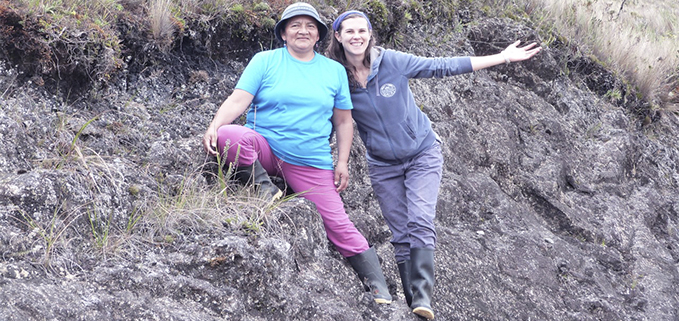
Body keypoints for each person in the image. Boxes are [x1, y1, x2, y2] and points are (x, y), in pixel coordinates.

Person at [327, 10, 541, 320]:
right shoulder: (335, 75)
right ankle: (414, 301)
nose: (356, 36)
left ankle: (423, 296)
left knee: (420, 220)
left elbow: (441, 66)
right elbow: (335, 117)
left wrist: (503, 57)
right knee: (400, 232)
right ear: (338, 36)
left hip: (421, 153)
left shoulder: (392, 62)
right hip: (383, 164)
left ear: (370, 34)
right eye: (349, 32)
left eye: (362, 30)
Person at [202, 3, 392, 304]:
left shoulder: (333, 71)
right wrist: (215, 125)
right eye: (295, 25)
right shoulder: (265, 61)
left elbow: (343, 120)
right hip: (265, 148)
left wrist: (342, 161)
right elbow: (239, 99)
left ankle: (377, 283)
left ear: (319, 34)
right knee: (229, 136)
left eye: (310, 26)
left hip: (310, 160)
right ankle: (266, 190)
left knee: (338, 222)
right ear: (283, 32)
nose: (302, 31)